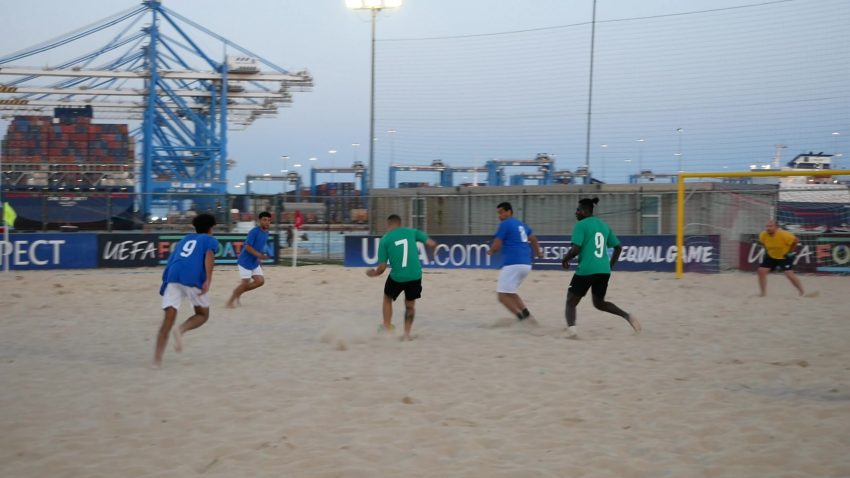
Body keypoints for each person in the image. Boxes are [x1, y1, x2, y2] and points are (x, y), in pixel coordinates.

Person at [561, 197, 640, 338]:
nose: (576, 212)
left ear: (585, 211)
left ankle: (572, 332)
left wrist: (565, 259)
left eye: (578, 210)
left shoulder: (581, 225)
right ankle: (627, 316)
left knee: (570, 301)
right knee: (599, 303)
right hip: (603, 271)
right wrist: (609, 266)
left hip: (586, 269)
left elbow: (575, 249)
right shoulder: (604, 225)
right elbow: (618, 247)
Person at [153, 213, 219, 368]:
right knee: (202, 314)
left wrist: (165, 284)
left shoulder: (184, 240)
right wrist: (208, 280)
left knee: (167, 321)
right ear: (211, 228)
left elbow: (171, 261)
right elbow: (209, 257)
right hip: (192, 276)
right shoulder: (210, 240)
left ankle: (156, 360)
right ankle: (181, 329)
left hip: (173, 275)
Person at [366, 214, 437, 341]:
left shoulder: (385, 239)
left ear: (388, 225)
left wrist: (373, 273)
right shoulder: (412, 232)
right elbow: (431, 243)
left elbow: (382, 268)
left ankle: (387, 327)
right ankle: (406, 334)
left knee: (387, 298)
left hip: (397, 276)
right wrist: (432, 253)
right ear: (399, 223)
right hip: (415, 275)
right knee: (410, 306)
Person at [487, 201, 541, 324]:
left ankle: (521, 319)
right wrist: (538, 252)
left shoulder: (505, 224)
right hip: (526, 264)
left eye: (501, 212)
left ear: (509, 212)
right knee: (510, 292)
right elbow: (533, 238)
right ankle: (527, 316)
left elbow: (497, 244)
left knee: (501, 296)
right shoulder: (521, 224)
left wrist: (491, 251)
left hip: (513, 263)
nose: (499, 216)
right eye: (498, 213)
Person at [227, 211, 272, 308]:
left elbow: (259, 246)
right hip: (245, 261)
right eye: (265, 220)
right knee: (245, 283)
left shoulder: (266, 232)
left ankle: (238, 291)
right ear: (260, 221)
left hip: (254, 261)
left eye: (269, 220)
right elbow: (247, 247)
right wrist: (259, 255)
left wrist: (259, 258)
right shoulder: (254, 231)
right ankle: (230, 302)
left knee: (260, 281)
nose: (267, 222)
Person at [757, 219, 807, 297]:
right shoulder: (763, 235)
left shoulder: (784, 234)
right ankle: (763, 294)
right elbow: (762, 243)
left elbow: (796, 240)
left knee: (789, 274)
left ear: (777, 227)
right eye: (767, 226)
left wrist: (790, 252)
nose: (768, 228)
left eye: (770, 226)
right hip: (771, 256)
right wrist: (767, 250)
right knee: (761, 271)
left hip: (784, 256)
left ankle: (802, 292)